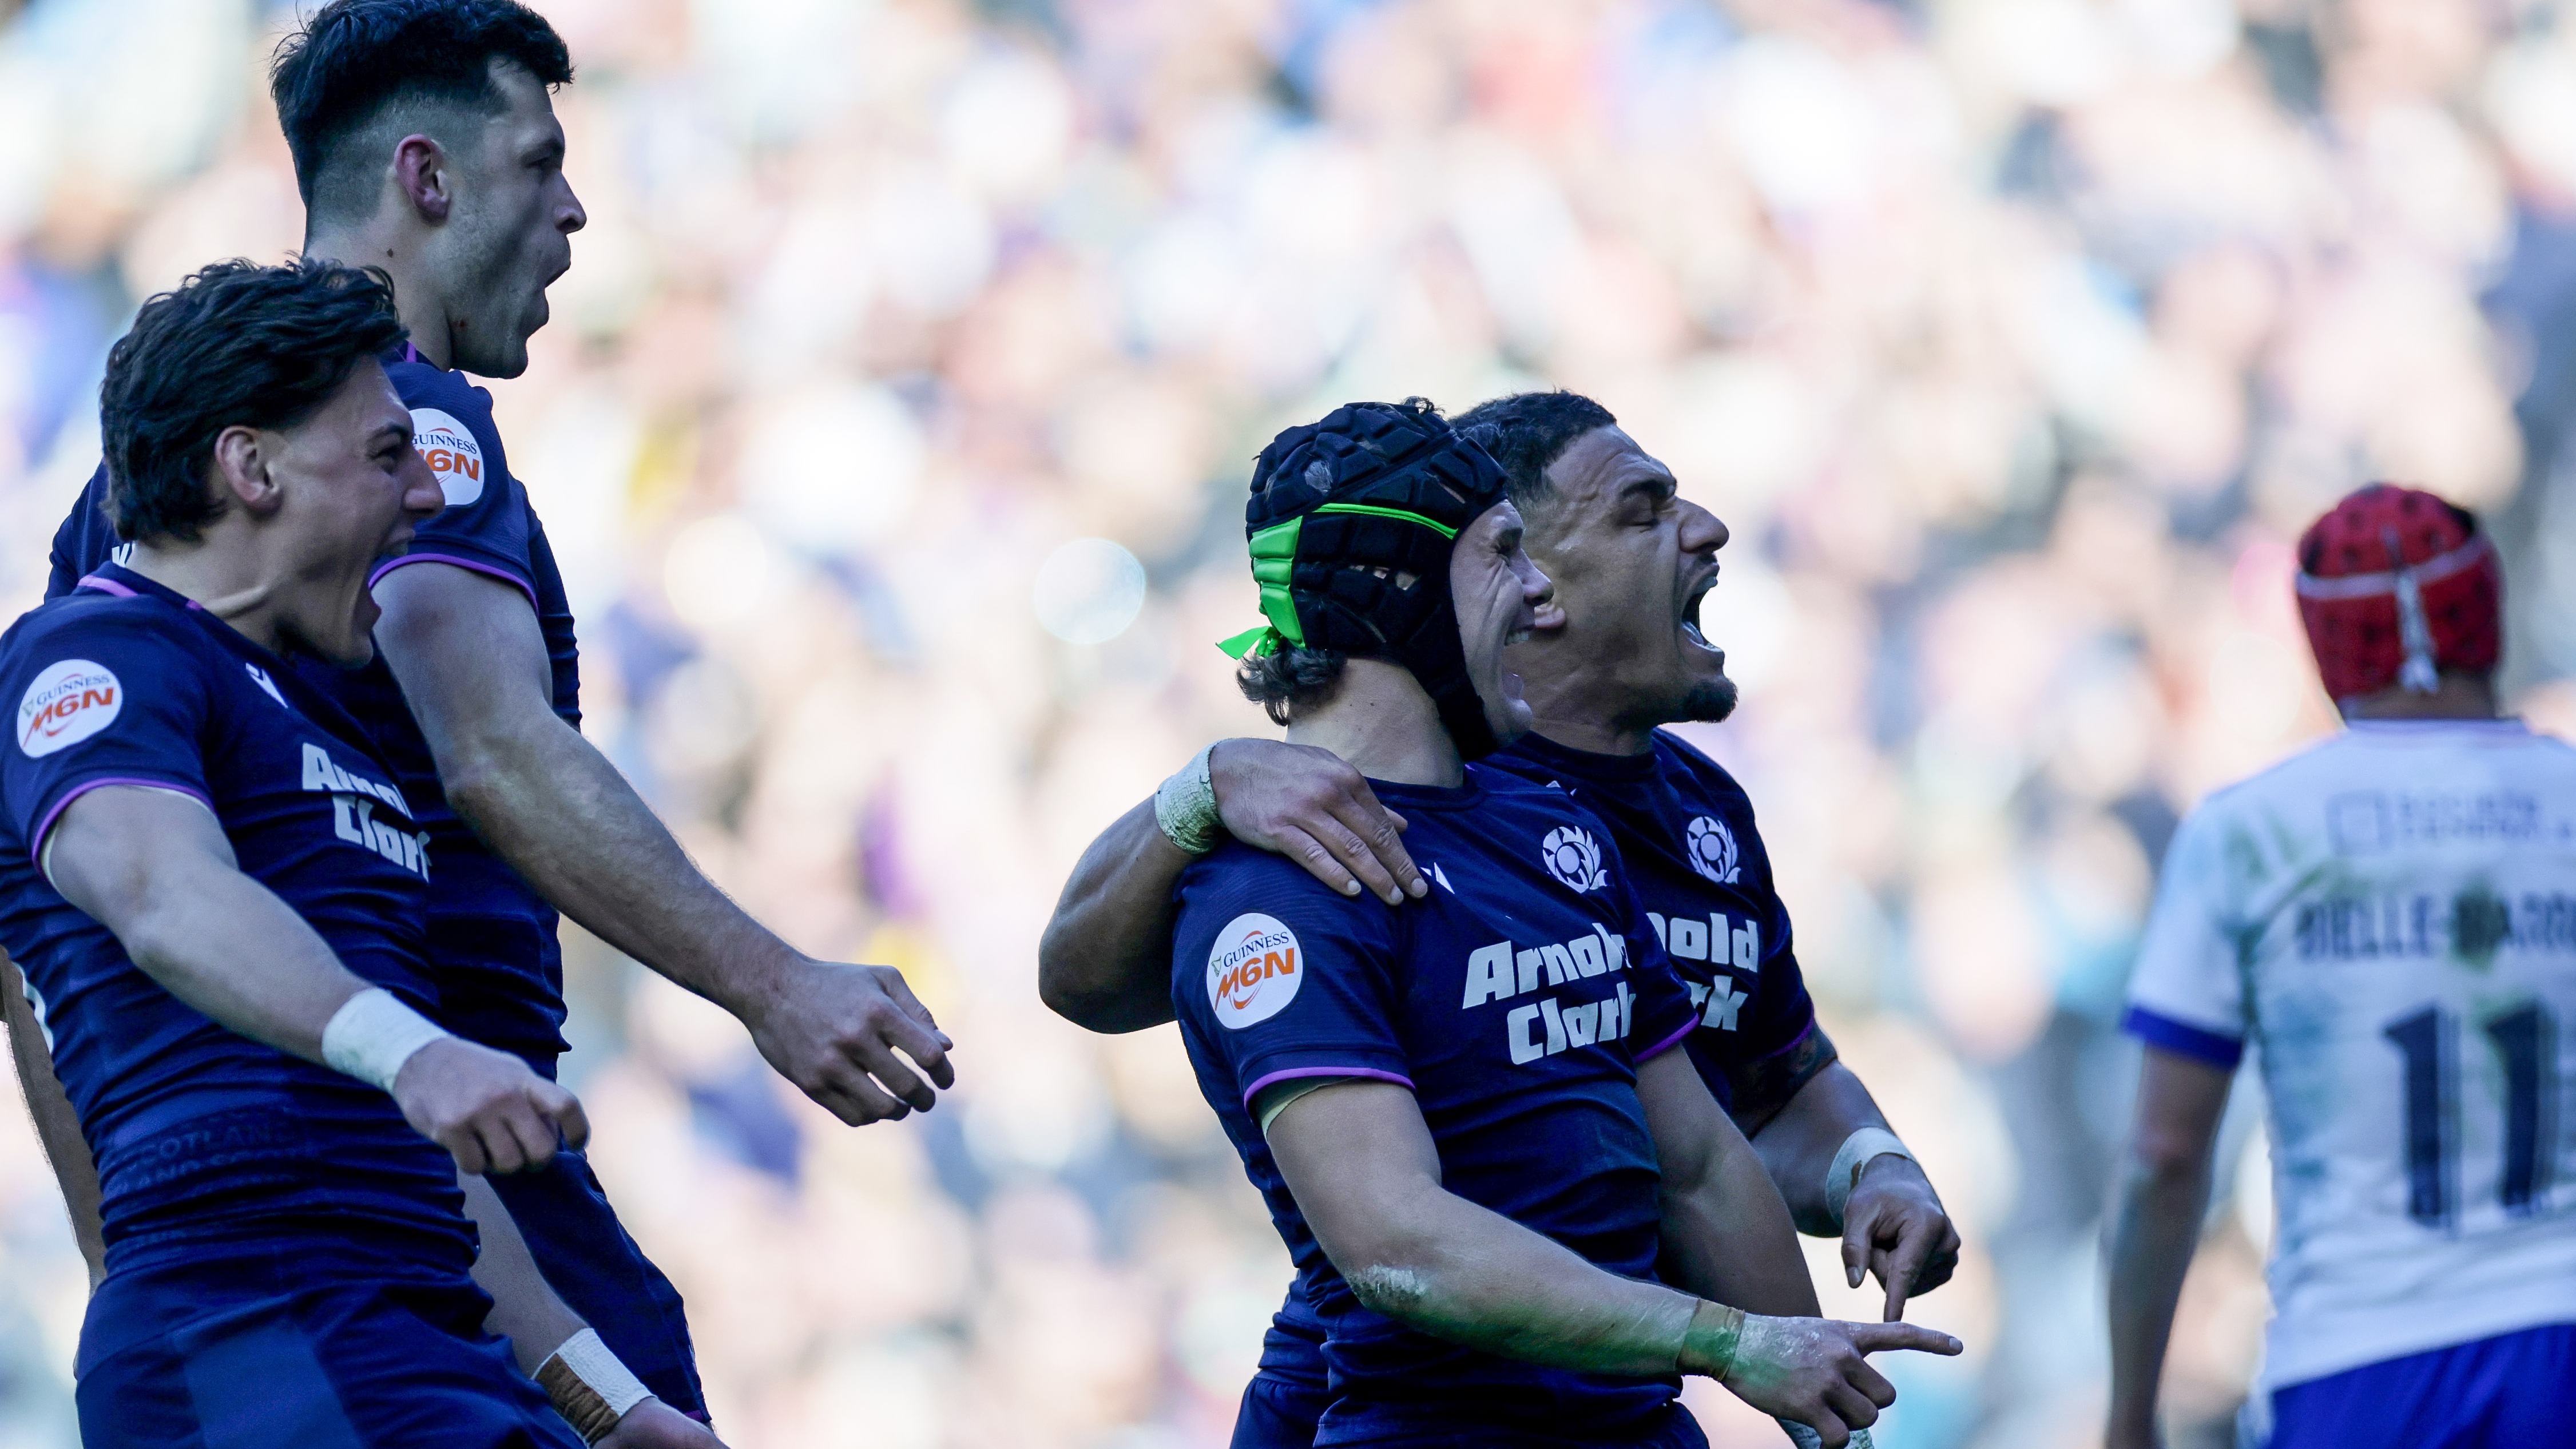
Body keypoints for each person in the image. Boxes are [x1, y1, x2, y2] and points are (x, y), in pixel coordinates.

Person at [13, 0, 952, 1419]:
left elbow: (42, 952)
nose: (575, 211)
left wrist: (119, 1254)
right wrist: (773, 982)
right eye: (538, 160)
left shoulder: (158, 568)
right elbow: (494, 752)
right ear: (424, 177)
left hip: (416, 1197)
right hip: (346, 1193)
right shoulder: (404, 426)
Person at [1041, 392, 1958, 1442]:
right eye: (1505, 556)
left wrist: (1825, 1403)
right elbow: (1400, 1244)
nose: (1535, 591)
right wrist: (1201, 787)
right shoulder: (1286, 868)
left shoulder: (1568, 820)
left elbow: (1704, 1157)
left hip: (1633, 1413)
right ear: (1404, 597)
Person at [0, 258, 715, 1447]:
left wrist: (613, 1409)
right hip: (250, 1322)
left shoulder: (320, 728)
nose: (428, 497)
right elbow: (162, 896)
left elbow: (418, 1152)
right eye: (390, 455)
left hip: (408, 1328)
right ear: (252, 467)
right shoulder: (91, 657)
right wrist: (418, 1051)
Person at [2105, 485, 2576, 1449]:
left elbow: (2163, 1157)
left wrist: (2128, 1415)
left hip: (2363, 1361)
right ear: (2488, 613)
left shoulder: (2249, 831)